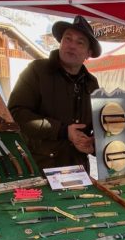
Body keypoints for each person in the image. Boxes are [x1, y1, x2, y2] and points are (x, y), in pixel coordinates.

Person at [8, 15, 101, 170]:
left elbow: (96, 126)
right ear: (60, 43)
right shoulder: (36, 71)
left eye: (80, 42)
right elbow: (16, 114)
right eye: (67, 39)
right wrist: (63, 131)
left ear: (88, 53)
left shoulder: (92, 83)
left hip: (78, 169)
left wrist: (93, 144)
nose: (71, 46)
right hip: (40, 167)